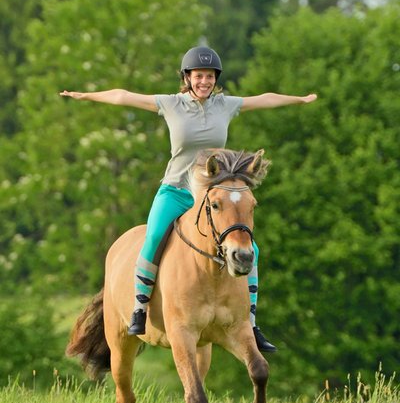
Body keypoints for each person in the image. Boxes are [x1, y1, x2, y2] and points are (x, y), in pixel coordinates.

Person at [61, 46, 317, 353]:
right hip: (175, 189)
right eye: (198, 76)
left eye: (209, 77)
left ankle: (250, 321)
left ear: (215, 79)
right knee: (153, 237)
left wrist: (299, 100)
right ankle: (139, 310)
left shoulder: (225, 105)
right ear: (187, 78)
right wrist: (86, 96)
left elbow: (264, 99)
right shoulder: (171, 104)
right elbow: (124, 96)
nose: (204, 82)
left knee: (253, 250)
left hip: (210, 195)